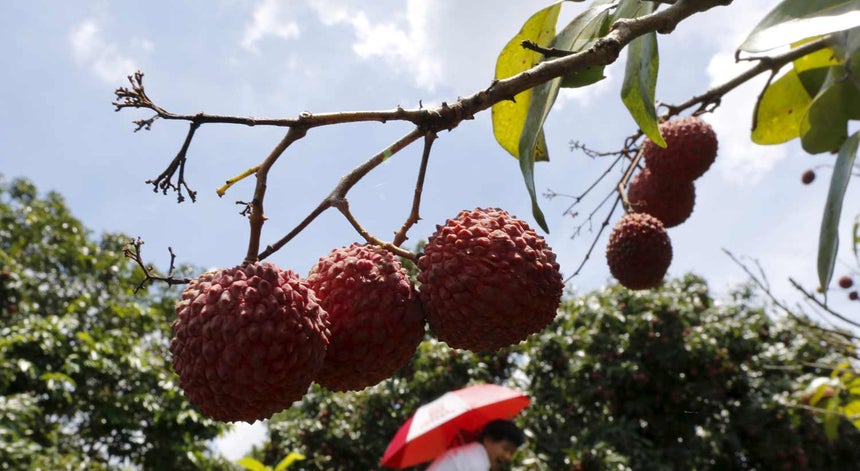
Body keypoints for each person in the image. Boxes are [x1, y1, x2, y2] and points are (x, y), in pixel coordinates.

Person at [426, 419, 525, 471]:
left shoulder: (473, 455)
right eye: (505, 448)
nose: (507, 457)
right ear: (488, 440)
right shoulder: (475, 462)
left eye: (512, 453)